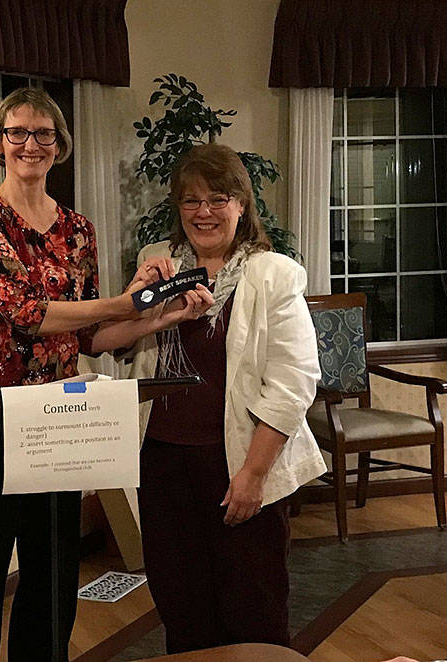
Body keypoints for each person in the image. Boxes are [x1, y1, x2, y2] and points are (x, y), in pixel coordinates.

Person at [0, 87, 212, 662]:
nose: (30, 144)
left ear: (60, 146)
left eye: (44, 134)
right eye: (18, 133)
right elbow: (29, 316)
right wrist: (125, 301)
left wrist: (159, 316)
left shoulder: (78, 230)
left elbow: (89, 339)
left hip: (58, 415)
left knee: (53, 573)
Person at [122, 142, 328, 654]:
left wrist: (254, 475)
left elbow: (294, 383)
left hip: (238, 461)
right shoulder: (159, 267)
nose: (204, 212)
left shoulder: (273, 274)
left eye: (218, 199)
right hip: (163, 462)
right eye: (191, 201)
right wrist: (137, 297)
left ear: (242, 205)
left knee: (252, 608)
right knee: (181, 606)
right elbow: (121, 345)